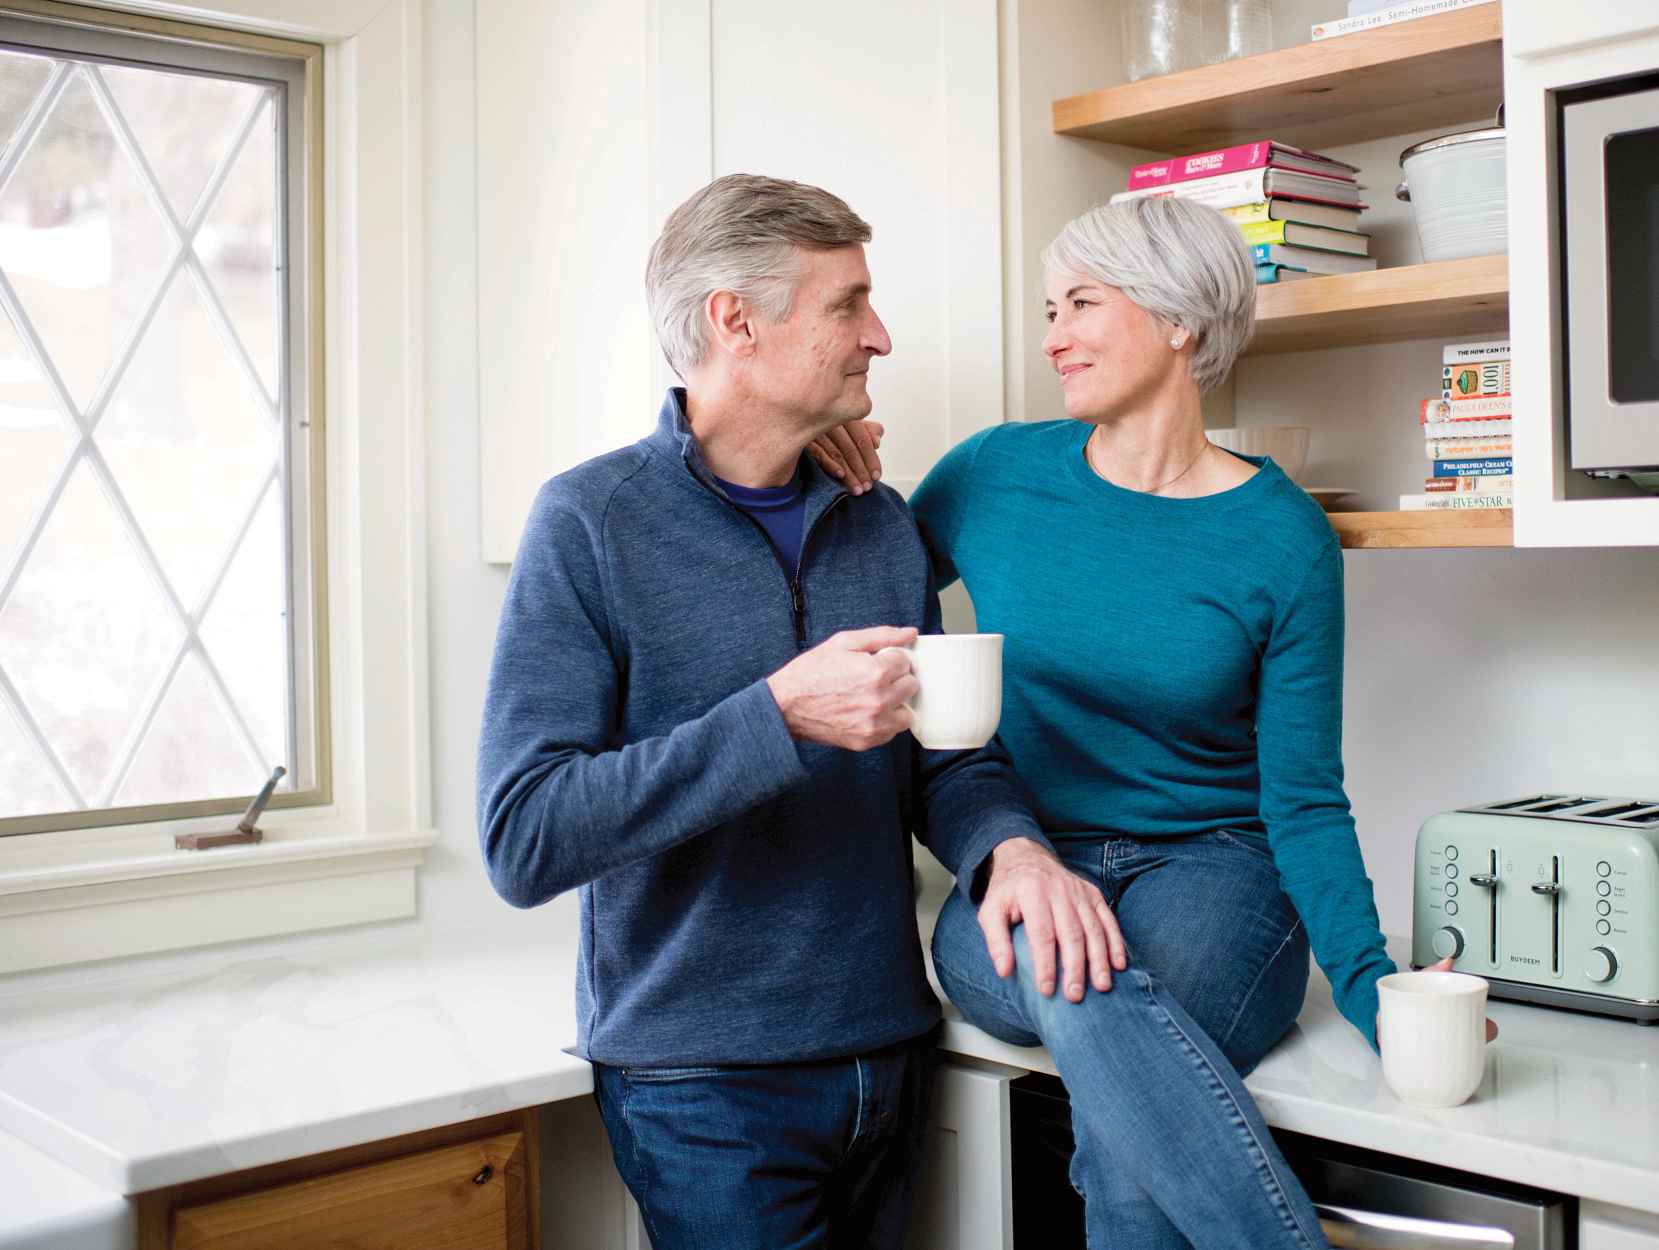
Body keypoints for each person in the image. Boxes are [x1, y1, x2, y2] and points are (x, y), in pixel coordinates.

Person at [476, 174, 1122, 1249]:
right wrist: (774, 719)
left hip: (888, 1052)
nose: (878, 334)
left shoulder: (875, 521)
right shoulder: (588, 524)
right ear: (735, 321)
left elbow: (946, 761)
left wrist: (1012, 850)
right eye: (845, 303)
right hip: (702, 1085)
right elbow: (525, 836)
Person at [812, 194, 1444, 1250]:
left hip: (1218, 871)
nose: (1051, 336)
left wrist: (1373, 988)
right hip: (1017, 857)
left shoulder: (1280, 540)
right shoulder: (994, 475)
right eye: (1048, 308)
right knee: (1092, 991)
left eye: (1080, 304)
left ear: (1179, 320)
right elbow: (857, 602)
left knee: (1102, 1037)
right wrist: (817, 454)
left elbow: (1299, 797)